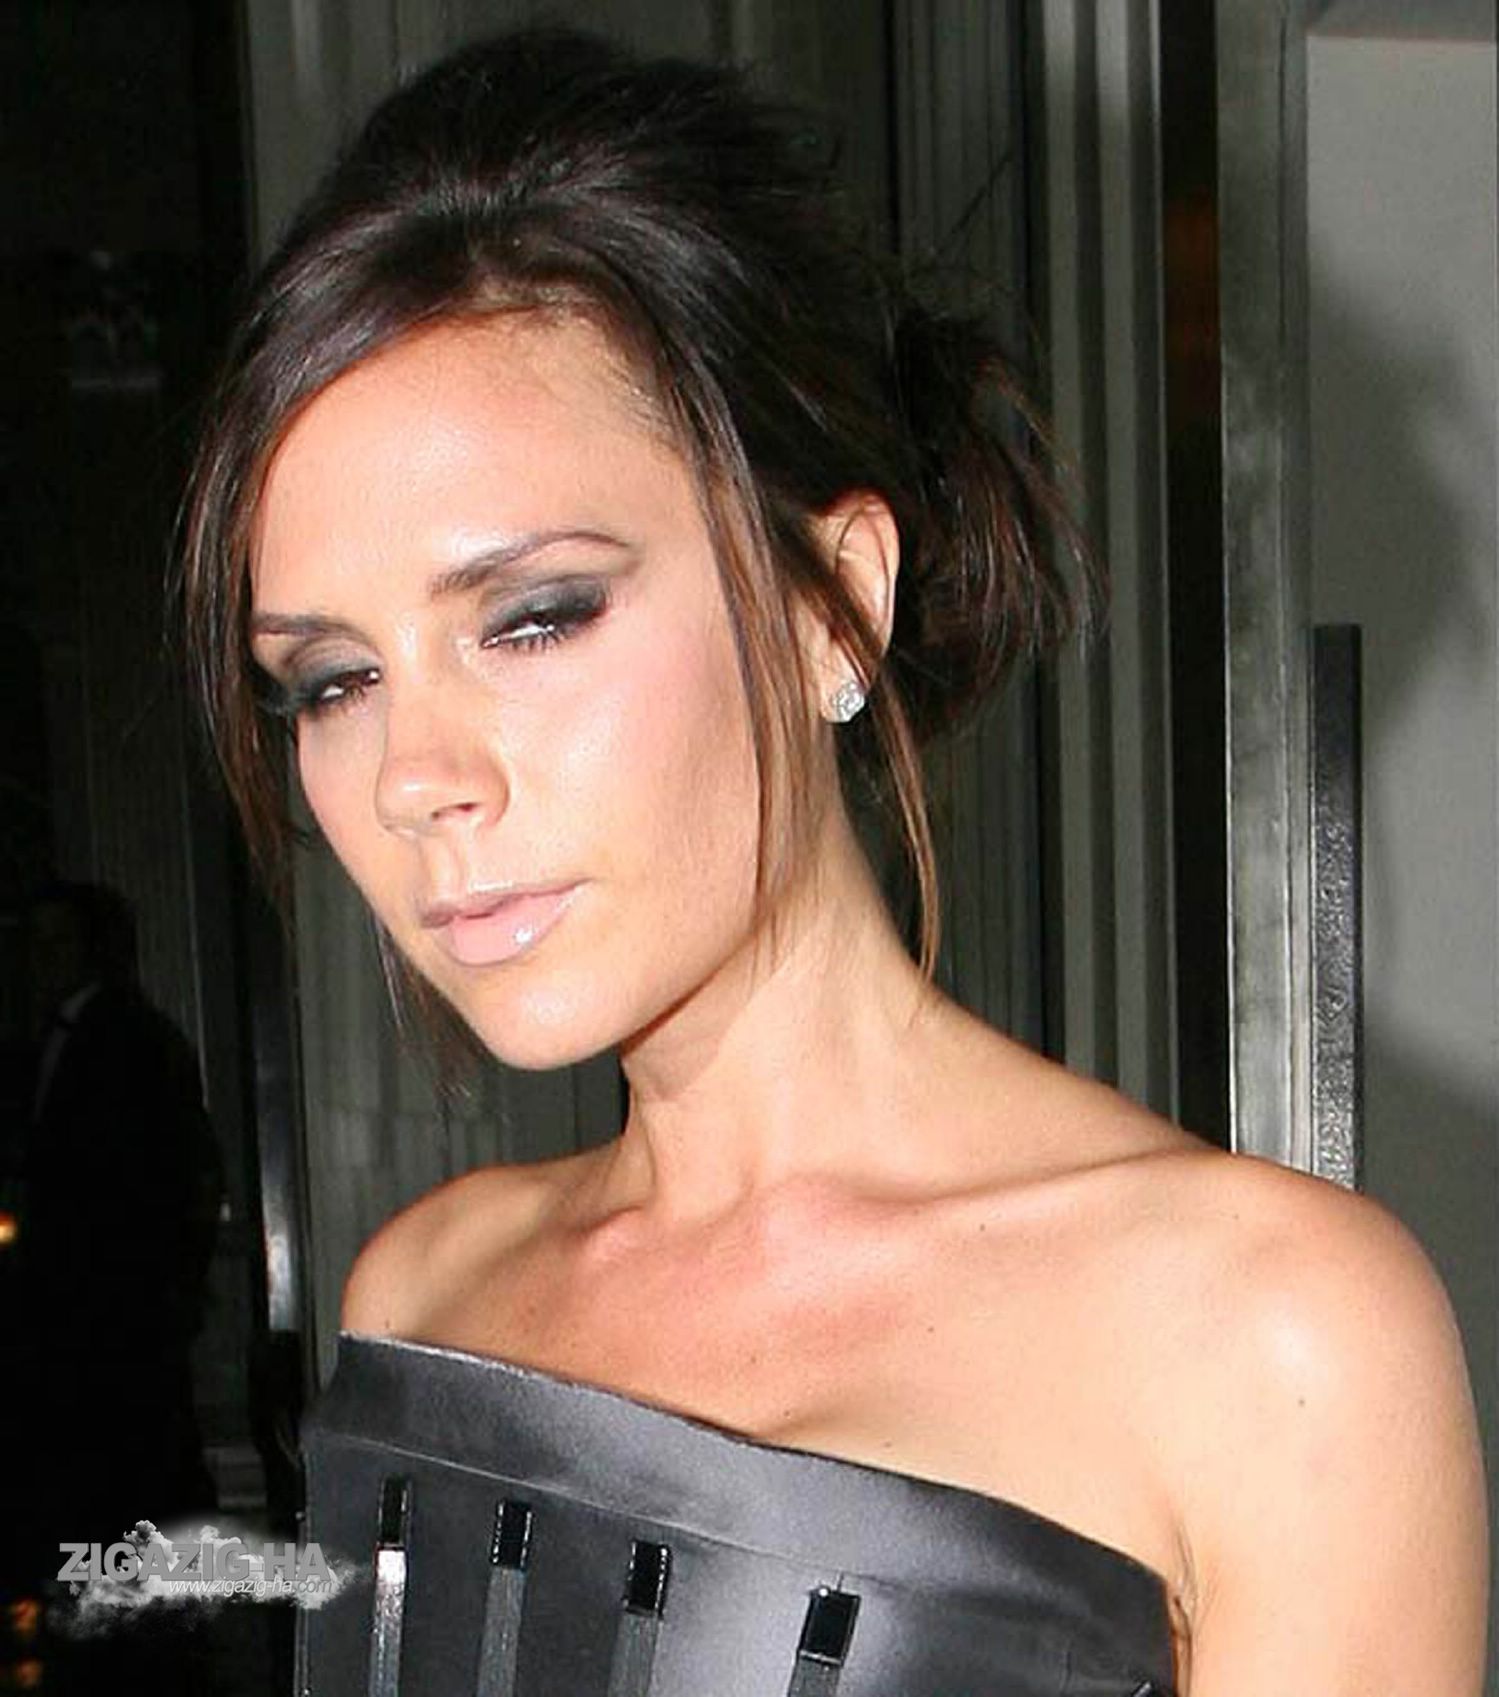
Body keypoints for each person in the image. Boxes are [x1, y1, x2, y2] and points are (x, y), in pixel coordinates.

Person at [183, 27, 1486, 1696]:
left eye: (534, 617)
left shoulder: (1275, 1333)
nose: (414, 776)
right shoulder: (425, 1290)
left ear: (831, 604)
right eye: (331, 680)